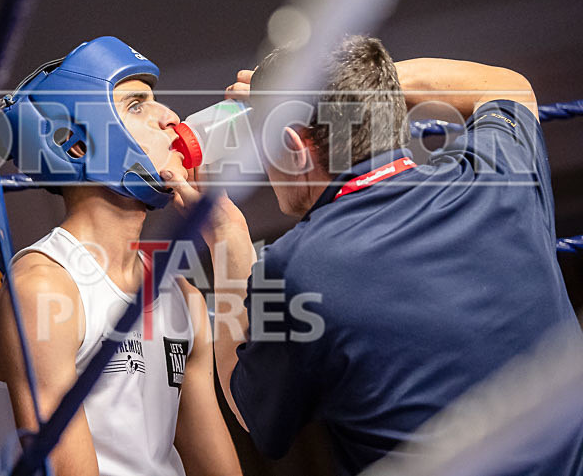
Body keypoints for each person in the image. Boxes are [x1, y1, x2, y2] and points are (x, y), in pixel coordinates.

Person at [162, 35, 583, 475]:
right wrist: (356, 89)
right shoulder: (498, 172)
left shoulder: (294, 269)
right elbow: (506, 85)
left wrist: (226, 234)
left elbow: (252, 409)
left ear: (293, 145)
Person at [0, 36, 241, 476]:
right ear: (78, 145)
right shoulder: (44, 287)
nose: (170, 118)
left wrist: (230, 234)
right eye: (137, 105)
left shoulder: (182, 297)